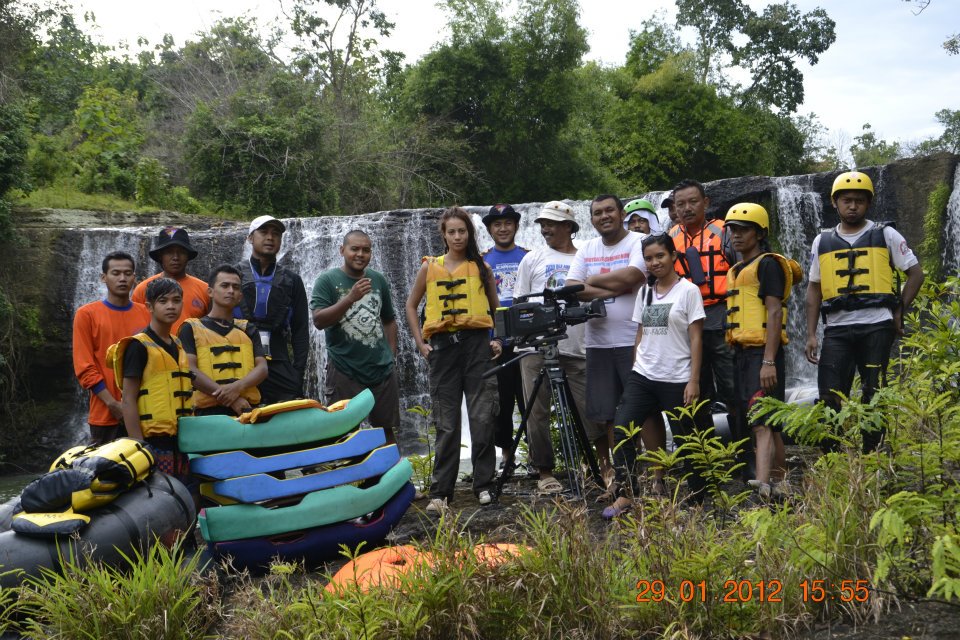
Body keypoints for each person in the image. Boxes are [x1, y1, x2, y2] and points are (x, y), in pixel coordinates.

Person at [804, 171, 924, 452]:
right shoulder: (822, 241)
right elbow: (813, 290)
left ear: (868, 203)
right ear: (835, 203)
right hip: (836, 329)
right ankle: (833, 458)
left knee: (873, 392)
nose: (853, 206)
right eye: (847, 200)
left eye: (859, 201)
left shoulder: (886, 234)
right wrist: (811, 334)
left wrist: (899, 311)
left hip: (877, 325)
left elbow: (916, 274)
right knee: (829, 395)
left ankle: (873, 456)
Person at [404, 207, 503, 513]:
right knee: (446, 423)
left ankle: (483, 485)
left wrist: (498, 339)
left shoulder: (482, 268)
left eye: (462, 231)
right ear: (444, 235)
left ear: (469, 233)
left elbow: (496, 308)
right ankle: (441, 493)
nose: (458, 236)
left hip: (477, 348)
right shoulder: (429, 267)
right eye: (452, 232)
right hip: (443, 350)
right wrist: (420, 343)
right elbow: (411, 306)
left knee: (482, 418)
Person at [604, 233, 707, 519]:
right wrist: (636, 367)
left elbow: (696, 338)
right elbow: (640, 333)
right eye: (648, 258)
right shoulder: (645, 292)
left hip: (677, 376)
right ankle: (627, 493)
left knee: (687, 439)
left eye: (660, 256)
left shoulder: (688, 291)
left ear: (673, 256)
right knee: (623, 430)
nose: (654, 262)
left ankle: (698, 496)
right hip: (644, 375)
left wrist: (694, 380)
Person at [512, 200, 602, 494]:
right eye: (542, 224)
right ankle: (545, 472)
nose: (545, 229)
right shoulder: (532, 259)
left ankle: (599, 466)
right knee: (535, 411)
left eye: (551, 223)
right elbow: (519, 303)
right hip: (536, 347)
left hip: (578, 346)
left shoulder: (586, 256)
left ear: (569, 227)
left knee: (590, 409)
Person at [565, 194, 648, 483]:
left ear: (622, 213)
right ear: (591, 219)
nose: (604, 216)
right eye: (598, 212)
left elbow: (633, 276)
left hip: (635, 340)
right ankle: (625, 476)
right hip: (598, 343)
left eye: (609, 210)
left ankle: (655, 475)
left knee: (643, 410)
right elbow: (572, 286)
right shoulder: (587, 247)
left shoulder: (638, 241)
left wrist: (593, 281)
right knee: (609, 414)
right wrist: (615, 287)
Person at [724, 204, 802, 498]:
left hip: (763, 354)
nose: (736, 235)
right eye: (733, 230)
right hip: (743, 353)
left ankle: (763, 485)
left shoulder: (768, 264)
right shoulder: (737, 269)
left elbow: (774, 312)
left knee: (760, 421)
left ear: (759, 234)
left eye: (743, 230)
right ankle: (781, 484)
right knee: (771, 421)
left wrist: (768, 361)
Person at [667, 179, 744, 470]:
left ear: (706, 203)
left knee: (732, 390)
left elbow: (744, 270)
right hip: (686, 323)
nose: (687, 208)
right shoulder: (670, 237)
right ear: (674, 208)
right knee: (695, 394)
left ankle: (743, 453)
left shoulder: (724, 232)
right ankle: (706, 458)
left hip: (721, 316)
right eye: (680, 204)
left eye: (693, 202)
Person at [311, 230, 400, 444]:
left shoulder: (378, 279)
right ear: (342, 250)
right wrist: (350, 298)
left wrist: (391, 355)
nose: (360, 254)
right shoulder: (327, 280)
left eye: (366, 250)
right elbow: (319, 320)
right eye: (354, 249)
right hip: (344, 369)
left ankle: (391, 467)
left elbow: (389, 320)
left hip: (381, 370)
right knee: (342, 433)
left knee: (386, 432)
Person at [113, 278, 194, 483]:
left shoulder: (177, 344)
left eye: (176, 300)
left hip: (181, 439)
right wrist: (139, 447)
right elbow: (128, 400)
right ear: (149, 306)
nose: (171, 306)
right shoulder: (138, 346)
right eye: (163, 301)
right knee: (160, 493)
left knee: (185, 493)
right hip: (152, 441)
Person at [72, 252, 151, 445]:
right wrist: (112, 404)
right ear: (103, 277)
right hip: (106, 413)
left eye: (128, 273)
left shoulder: (147, 313)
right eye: (116, 273)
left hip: (146, 412)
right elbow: (84, 367)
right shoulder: (86, 314)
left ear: (135, 278)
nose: (122, 278)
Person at [236, 215, 310, 404]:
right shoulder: (232, 275)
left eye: (276, 234)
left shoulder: (292, 280)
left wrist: (297, 372)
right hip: (238, 355)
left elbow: (300, 329)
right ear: (250, 238)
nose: (270, 237)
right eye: (263, 232)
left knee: (290, 406)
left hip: (278, 356)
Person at [179, 265, 268, 417]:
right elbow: (190, 369)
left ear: (240, 296)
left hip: (247, 411)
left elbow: (262, 368)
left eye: (236, 287)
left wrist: (237, 387)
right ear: (210, 292)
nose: (231, 291)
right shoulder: (191, 328)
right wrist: (231, 399)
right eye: (225, 286)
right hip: (206, 414)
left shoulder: (248, 329)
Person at [482, 204, 528, 473]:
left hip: (527, 340)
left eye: (508, 223)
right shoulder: (481, 261)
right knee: (501, 402)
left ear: (516, 226)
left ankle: (535, 453)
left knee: (530, 399)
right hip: (496, 343)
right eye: (497, 224)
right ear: (489, 229)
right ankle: (506, 455)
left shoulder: (528, 257)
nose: (503, 228)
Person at [132, 227, 210, 333]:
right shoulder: (143, 289)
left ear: (187, 256)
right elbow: (134, 327)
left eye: (181, 252)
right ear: (160, 256)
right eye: (169, 252)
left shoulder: (205, 290)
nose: (175, 257)